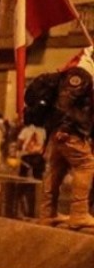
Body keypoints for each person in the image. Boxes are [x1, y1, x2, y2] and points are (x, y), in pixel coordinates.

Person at [41, 68, 94, 228]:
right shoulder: (82, 73)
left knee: (57, 169)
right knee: (86, 165)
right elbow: (66, 100)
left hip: (63, 131)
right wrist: (65, 127)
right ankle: (78, 214)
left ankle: (48, 213)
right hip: (69, 132)